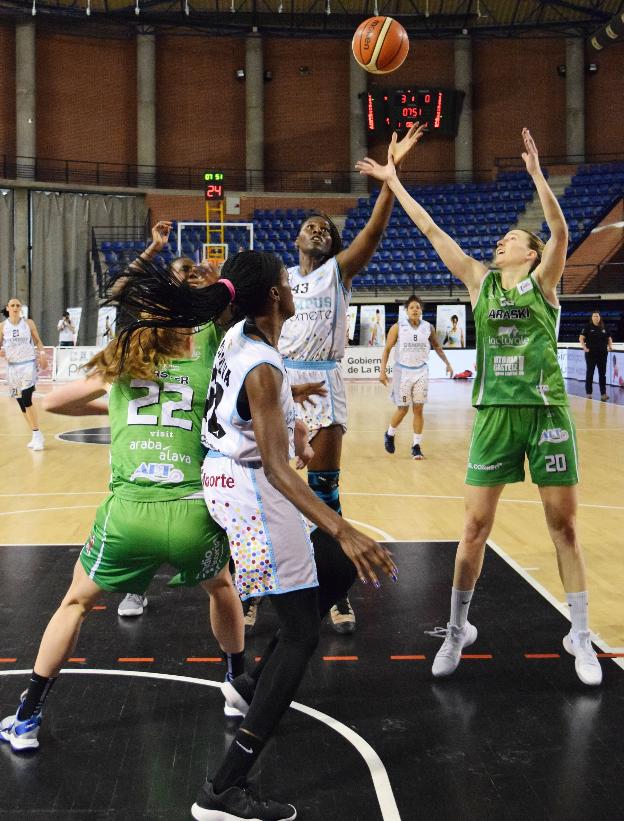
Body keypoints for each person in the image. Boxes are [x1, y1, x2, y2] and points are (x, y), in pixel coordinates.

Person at [111, 251, 397, 820]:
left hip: (225, 474)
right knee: (300, 632)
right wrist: (345, 529)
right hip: (253, 492)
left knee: (333, 575)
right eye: (287, 283)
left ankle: (248, 686)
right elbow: (280, 468)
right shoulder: (261, 365)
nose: (294, 290)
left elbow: (254, 397)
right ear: (273, 295)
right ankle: (224, 787)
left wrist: (296, 392)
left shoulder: (237, 333)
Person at [356, 127, 602, 687]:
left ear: (531, 252)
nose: (502, 242)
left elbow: (560, 228)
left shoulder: (545, 281)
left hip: (545, 415)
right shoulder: (478, 281)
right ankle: (456, 628)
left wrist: (538, 175)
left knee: (563, 526)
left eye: (513, 237)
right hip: (493, 413)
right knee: (473, 526)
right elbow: (431, 229)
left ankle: (580, 635)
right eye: (503, 239)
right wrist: (394, 180)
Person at [0, 280, 247, 753]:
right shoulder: (209, 351)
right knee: (221, 589)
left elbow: (48, 402)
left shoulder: (126, 357)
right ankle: (236, 687)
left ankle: (27, 718)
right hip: (194, 510)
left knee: (74, 603)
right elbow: (230, 295)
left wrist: (119, 407)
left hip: (129, 514)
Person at [279, 123, 425, 634]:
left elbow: (375, 234)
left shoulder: (337, 272)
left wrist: (390, 176)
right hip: (273, 386)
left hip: (322, 386)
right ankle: (257, 586)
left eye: (327, 227)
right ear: (295, 238)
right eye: (310, 225)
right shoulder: (279, 279)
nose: (319, 228)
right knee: (259, 492)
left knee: (324, 495)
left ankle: (336, 592)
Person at [380, 295, 453, 459]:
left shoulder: (428, 327)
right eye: (412, 307)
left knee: (419, 409)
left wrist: (447, 363)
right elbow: (386, 349)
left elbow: (437, 347)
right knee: (403, 409)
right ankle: (390, 434)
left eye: (418, 307)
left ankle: (416, 446)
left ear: (421, 311)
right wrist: (382, 371)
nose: (415, 310)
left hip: (421, 371)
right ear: (406, 310)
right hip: (402, 372)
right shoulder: (398, 327)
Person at [1, 297, 48, 450]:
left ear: (20, 308)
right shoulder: (2, 326)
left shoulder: (28, 323)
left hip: (28, 364)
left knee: (27, 397)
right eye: (12, 305)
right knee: (20, 402)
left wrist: (42, 354)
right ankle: (36, 434)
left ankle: (37, 435)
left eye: (18, 305)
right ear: (7, 308)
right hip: (12, 368)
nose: (15, 307)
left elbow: (38, 341)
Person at [580, 310, 613, 401]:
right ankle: (589, 393)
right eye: (594, 316)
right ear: (592, 318)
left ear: (600, 317)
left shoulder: (604, 327)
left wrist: (610, 346)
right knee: (590, 373)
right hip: (591, 354)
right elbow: (581, 338)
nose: (596, 317)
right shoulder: (587, 327)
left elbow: (609, 338)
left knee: (602, 374)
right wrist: (584, 347)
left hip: (602, 354)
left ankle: (603, 394)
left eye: (597, 316)